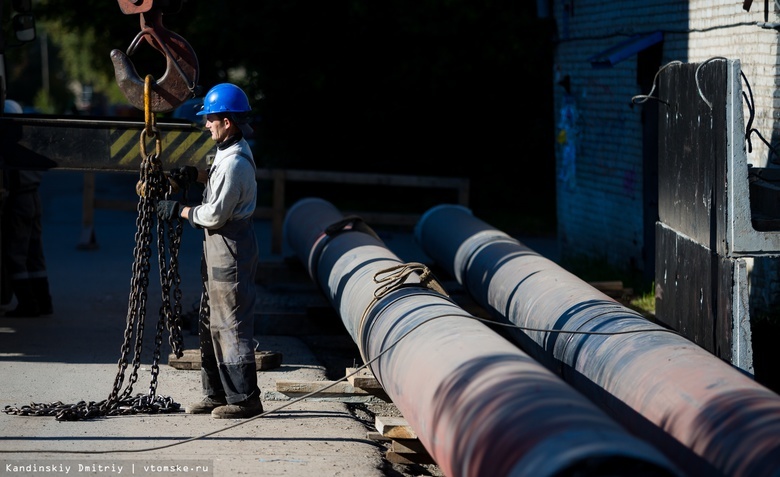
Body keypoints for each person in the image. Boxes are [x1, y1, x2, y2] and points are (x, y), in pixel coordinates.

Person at [156, 83, 262, 419]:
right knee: (210, 321)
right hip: (219, 247)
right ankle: (216, 394)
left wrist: (181, 210)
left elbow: (215, 214)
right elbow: (220, 185)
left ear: (227, 121)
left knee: (230, 324)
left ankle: (245, 399)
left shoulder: (235, 163)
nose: (206, 124)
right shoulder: (228, 154)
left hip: (229, 246)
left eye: (210, 119)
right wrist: (198, 176)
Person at [1, 99, 53, 318]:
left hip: (19, 201)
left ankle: (28, 304)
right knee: (34, 253)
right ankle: (44, 302)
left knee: (16, 254)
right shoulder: (29, 140)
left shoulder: (9, 144)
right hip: (34, 197)